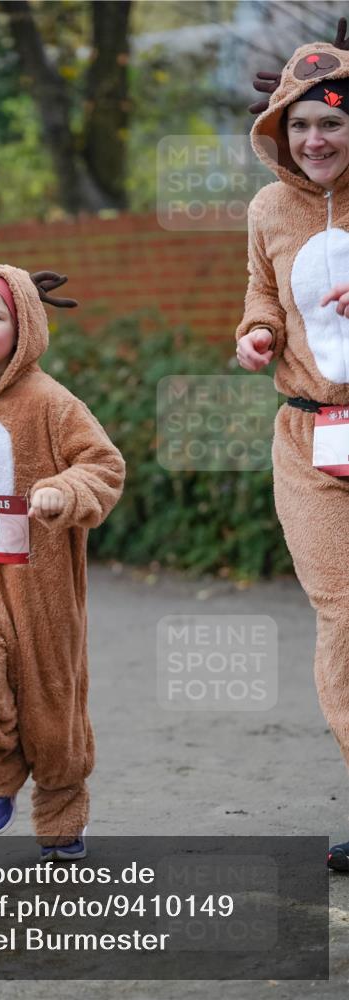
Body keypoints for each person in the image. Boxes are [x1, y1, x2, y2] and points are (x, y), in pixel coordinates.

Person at [0, 265, 125, 860]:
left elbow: (104, 465)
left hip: (40, 578)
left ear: (25, 326)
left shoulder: (51, 402)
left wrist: (64, 491)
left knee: (50, 702)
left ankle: (61, 810)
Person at [236, 23, 349, 870]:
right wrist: (256, 334)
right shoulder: (268, 210)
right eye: (299, 125)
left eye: (332, 123)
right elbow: (260, 294)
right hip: (310, 439)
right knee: (342, 616)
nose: (314, 140)